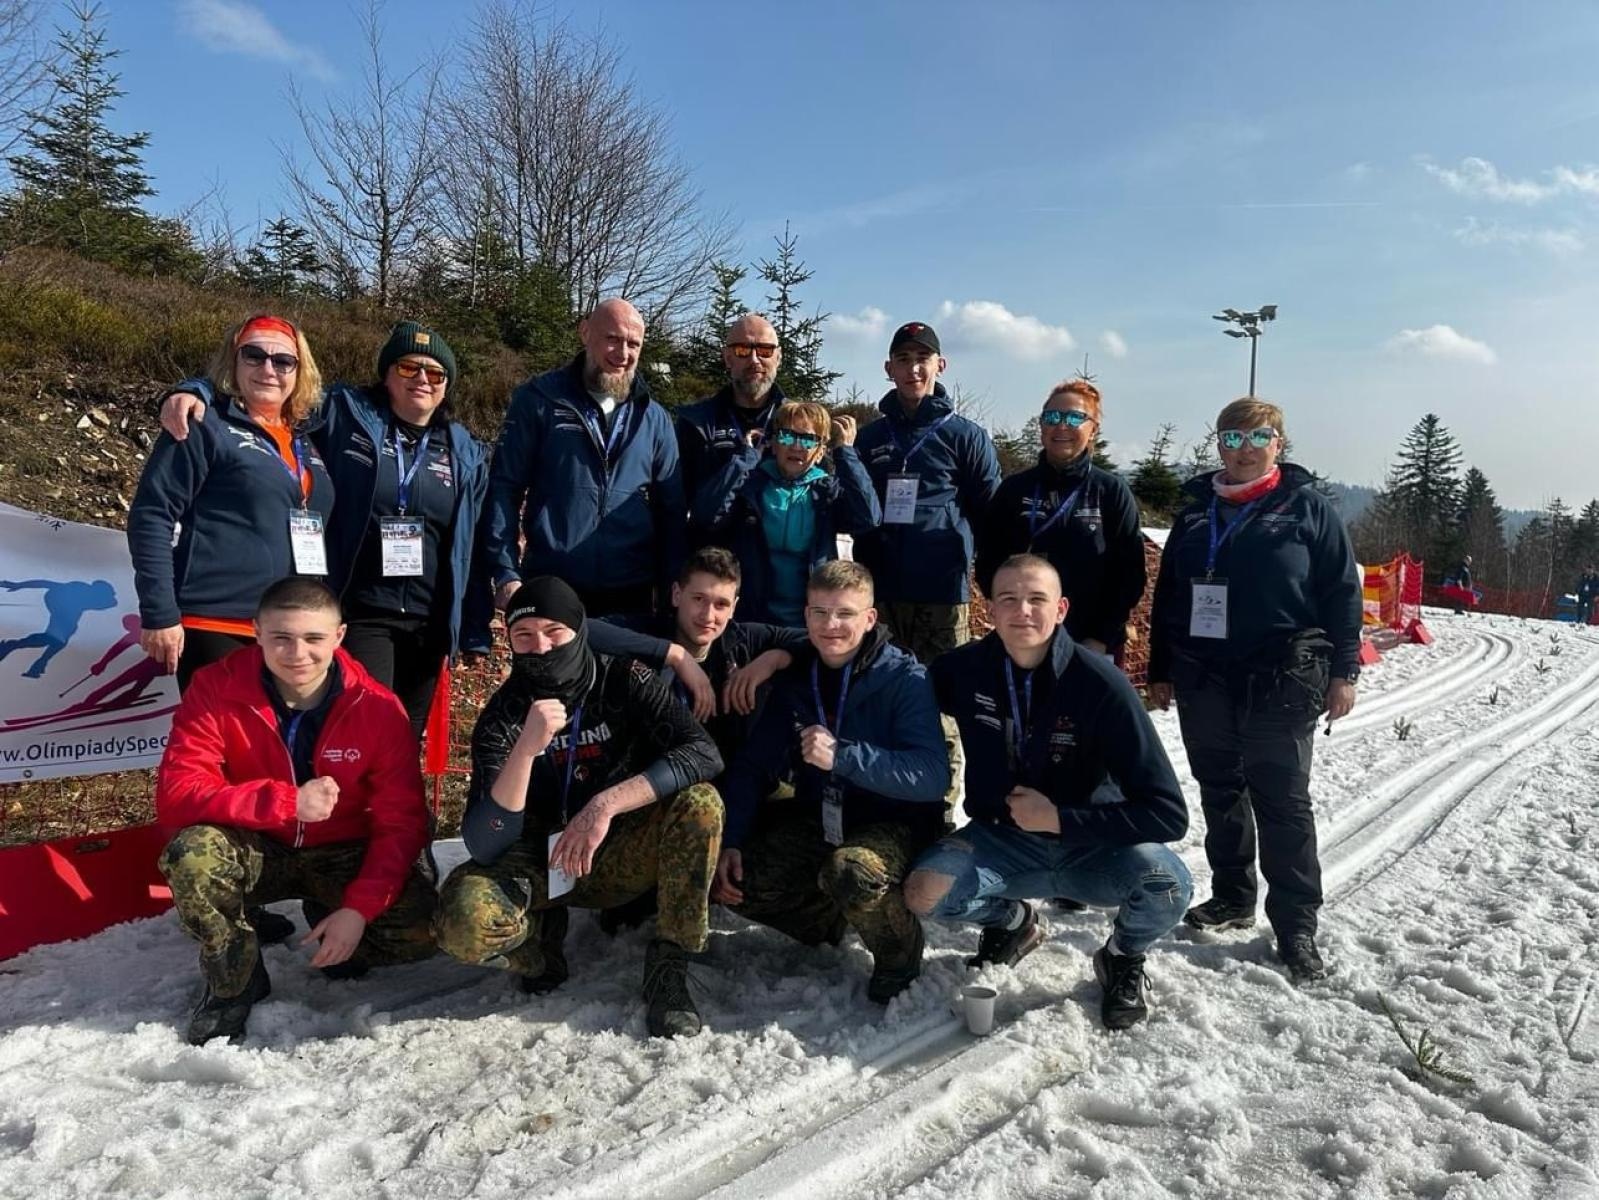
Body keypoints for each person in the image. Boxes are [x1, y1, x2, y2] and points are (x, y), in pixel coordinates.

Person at [157, 322, 490, 738]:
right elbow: (270, 389)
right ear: (386, 374)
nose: (422, 379)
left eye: (436, 373)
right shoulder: (346, 412)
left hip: (429, 621)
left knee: (405, 738)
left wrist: (473, 627)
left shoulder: (464, 450)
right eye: (408, 367)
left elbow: (471, 542)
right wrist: (195, 390)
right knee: (363, 729)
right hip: (362, 608)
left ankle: (394, 806)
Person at [903, 556, 1192, 1030]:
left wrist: (1063, 819)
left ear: (1061, 609)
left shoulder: (1102, 685)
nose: (1023, 612)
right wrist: (781, 652)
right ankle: (1013, 922)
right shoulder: (963, 670)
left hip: (1093, 851)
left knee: (1169, 885)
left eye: (1037, 599)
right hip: (1004, 844)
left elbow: (1167, 814)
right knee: (924, 892)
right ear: (989, 609)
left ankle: (1122, 955)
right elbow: (886, 678)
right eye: (1009, 599)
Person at [431, 577, 724, 1037]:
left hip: (615, 850)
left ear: (579, 631)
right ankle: (537, 950)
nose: (541, 648)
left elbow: (703, 754)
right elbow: (485, 842)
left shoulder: (625, 678)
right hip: (543, 861)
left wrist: (605, 805)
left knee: (701, 803)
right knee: (461, 922)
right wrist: (526, 750)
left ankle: (671, 963)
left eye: (554, 632)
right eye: (524, 637)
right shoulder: (504, 714)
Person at [155, 578, 437, 1045]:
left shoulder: (378, 708)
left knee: (421, 932)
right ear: (257, 632)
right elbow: (177, 793)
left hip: (341, 848)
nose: (297, 654)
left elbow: (401, 822)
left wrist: (358, 909)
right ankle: (235, 981)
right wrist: (286, 802)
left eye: (313, 639)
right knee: (192, 855)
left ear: (340, 636)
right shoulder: (215, 688)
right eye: (281, 637)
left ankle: (331, 913)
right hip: (259, 842)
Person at [1147, 397, 1361, 984]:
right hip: (1204, 675)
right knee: (1220, 788)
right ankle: (1233, 896)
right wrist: (1160, 669)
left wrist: (1345, 671)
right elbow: (1169, 597)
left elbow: (1343, 593)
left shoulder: (1307, 509)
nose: (1243, 448)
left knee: (1282, 800)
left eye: (1256, 437)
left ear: (1279, 444)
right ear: (1218, 445)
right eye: (1231, 438)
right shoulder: (1195, 514)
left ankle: (1296, 924)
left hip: (1282, 674)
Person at [713, 561, 949, 1003]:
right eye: (819, 613)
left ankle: (901, 949)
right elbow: (753, 766)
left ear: (870, 618)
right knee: (734, 876)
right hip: (823, 816)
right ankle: (830, 918)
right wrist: (731, 838)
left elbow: (932, 777)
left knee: (853, 872)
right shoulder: (798, 678)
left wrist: (844, 757)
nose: (831, 625)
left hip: (894, 823)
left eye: (844, 613)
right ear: (805, 617)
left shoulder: (905, 678)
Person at [128, 314, 334, 690]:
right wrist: (159, 613)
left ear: (299, 371)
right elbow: (152, 515)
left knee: (272, 748)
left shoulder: (305, 438)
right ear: (233, 362)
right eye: (253, 356)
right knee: (223, 746)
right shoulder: (203, 423)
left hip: (287, 628)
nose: (268, 369)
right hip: (216, 621)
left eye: (283, 360)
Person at [853, 321, 1000, 814]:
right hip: (879, 594)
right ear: (888, 369)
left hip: (941, 594)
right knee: (881, 693)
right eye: (904, 359)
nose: (914, 368)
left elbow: (990, 513)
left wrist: (990, 582)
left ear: (941, 366)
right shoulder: (871, 437)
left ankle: (939, 806)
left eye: (924, 358)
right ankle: (884, 800)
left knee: (943, 703)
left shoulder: (966, 436)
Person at [483, 299, 685, 619]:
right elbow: (503, 489)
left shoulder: (654, 419)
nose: (623, 353)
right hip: (552, 587)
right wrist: (506, 571)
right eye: (613, 339)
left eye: (634, 344)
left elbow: (671, 513)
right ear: (585, 332)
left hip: (631, 595)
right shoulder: (539, 399)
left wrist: (671, 586)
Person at [975, 379, 1146, 658]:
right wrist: (1010, 617)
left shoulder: (1110, 491)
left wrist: (1101, 637)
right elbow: (989, 562)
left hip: (1090, 644)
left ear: (1093, 430)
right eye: (1052, 417)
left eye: (1075, 417)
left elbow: (1130, 576)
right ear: (1041, 426)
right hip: (1023, 637)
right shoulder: (1014, 489)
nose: (1061, 426)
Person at [692, 400, 880, 625]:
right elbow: (706, 514)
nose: (796, 446)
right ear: (774, 443)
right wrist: (745, 459)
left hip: (810, 621)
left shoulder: (827, 492)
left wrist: (846, 453)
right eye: (787, 436)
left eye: (809, 439)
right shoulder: (752, 485)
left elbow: (868, 518)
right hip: (750, 618)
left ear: (820, 451)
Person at [677, 313, 786, 507]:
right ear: (727, 358)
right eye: (743, 350)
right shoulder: (695, 423)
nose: (754, 360)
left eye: (765, 350)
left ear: (778, 358)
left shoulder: (800, 423)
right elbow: (673, 504)